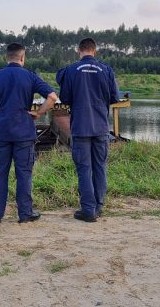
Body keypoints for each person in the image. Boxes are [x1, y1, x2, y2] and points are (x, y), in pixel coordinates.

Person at [0, 43, 58, 224]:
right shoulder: (30, 76)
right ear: (22, 58)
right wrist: (39, 112)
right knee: (24, 173)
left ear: (6, 57)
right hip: (24, 131)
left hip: (2, 129)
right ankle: (25, 214)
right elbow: (52, 97)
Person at [56, 38, 119, 223]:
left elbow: (65, 98)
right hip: (100, 127)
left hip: (81, 128)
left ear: (79, 51)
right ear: (95, 51)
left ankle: (88, 209)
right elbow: (114, 97)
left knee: (84, 169)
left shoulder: (71, 70)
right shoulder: (107, 70)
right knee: (100, 167)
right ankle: (98, 206)